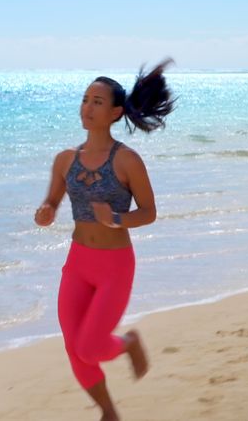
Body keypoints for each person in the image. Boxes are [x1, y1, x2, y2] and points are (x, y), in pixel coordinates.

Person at [33, 58, 177, 421]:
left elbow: (148, 212)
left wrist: (114, 219)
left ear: (115, 112)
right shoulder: (66, 160)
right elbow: (51, 201)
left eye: (97, 102)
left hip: (114, 267)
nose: (88, 107)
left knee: (90, 346)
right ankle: (109, 412)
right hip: (78, 264)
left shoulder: (127, 161)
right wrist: (46, 211)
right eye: (85, 99)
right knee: (74, 350)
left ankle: (128, 343)